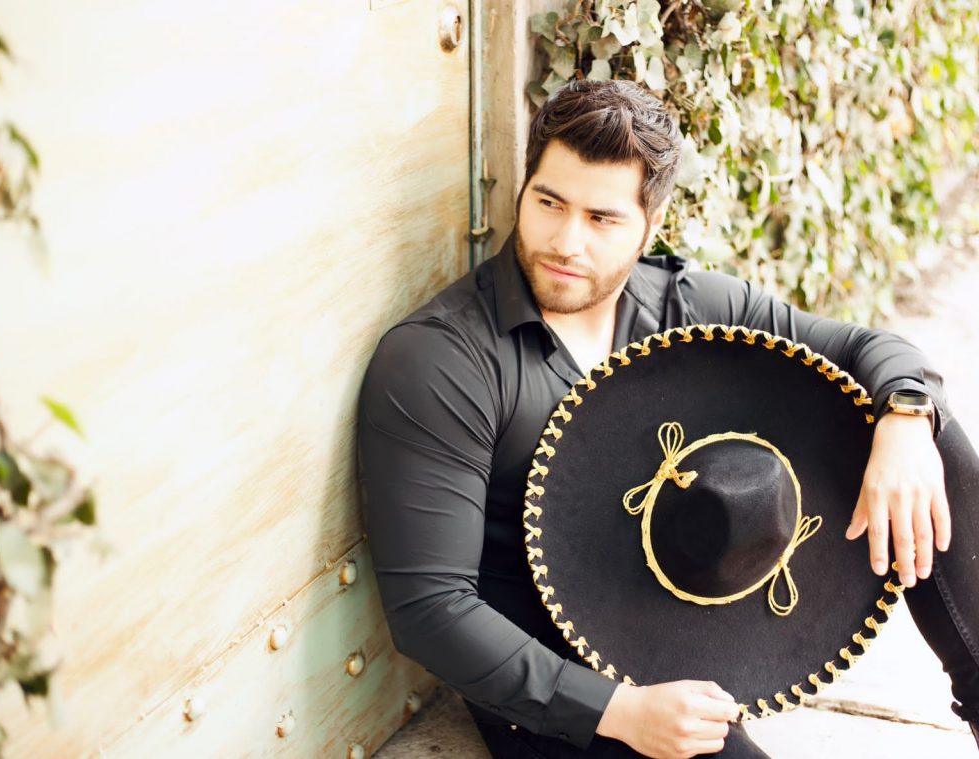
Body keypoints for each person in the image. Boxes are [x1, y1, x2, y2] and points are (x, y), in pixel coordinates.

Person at [357, 79, 979, 758]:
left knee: (926, 439)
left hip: (688, 613)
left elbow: (865, 348)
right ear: (523, 189)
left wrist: (906, 417)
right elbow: (431, 608)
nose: (566, 242)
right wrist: (618, 710)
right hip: (568, 686)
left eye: (602, 219)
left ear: (651, 226)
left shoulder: (688, 306)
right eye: (549, 202)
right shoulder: (443, 360)